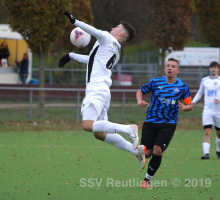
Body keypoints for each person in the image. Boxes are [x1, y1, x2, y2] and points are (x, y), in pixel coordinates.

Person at [59, 11, 146, 169]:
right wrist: (71, 56)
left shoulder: (106, 37)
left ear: (120, 33)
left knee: (87, 125)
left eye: (116, 27)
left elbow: (94, 31)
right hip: (104, 91)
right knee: (99, 133)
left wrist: (75, 21)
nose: (112, 27)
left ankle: (128, 129)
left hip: (96, 89)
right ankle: (135, 152)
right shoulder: (116, 50)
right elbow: (93, 60)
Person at [136, 58, 193, 188]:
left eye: (173, 66)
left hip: (168, 123)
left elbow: (190, 104)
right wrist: (140, 101)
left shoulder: (182, 87)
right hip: (151, 121)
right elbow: (140, 91)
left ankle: (146, 180)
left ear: (177, 70)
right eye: (168, 66)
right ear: (164, 68)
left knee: (158, 150)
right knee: (147, 153)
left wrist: (185, 107)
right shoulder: (155, 82)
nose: (170, 68)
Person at [192, 61, 220, 160]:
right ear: (209, 69)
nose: (213, 69)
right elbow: (200, 93)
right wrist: (192, 102)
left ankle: (218, 150)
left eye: (215, 67)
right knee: (207, 131)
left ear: (218, 69)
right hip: (207, 110)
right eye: (212, 67)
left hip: (218, 111)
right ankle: (206, 154)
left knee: (219, 133)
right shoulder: (204, 80)